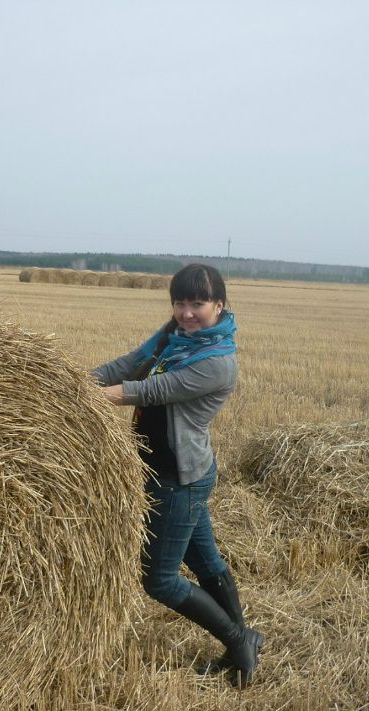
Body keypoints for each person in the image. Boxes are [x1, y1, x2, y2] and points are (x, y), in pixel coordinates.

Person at [91, 263, 263, 687]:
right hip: (168, 472)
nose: (187, 312)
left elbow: (153, 389)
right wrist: (76, 381)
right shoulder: (174, 337)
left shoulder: (218, 363)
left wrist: (95, 397)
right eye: (180, 302)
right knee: (205, 562)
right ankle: (243, 643)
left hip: (178, 478)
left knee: (161, 581)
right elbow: (133, 364)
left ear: (219, 305)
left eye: (198, 303)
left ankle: (238, 639)